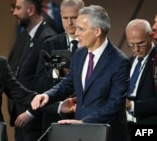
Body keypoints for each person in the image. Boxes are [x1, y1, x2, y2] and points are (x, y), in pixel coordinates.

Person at [31, 5, 130, 141]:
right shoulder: (79, 53)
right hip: (80, 133)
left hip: (107, 134)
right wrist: (48, 95)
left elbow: (115, 104)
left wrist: (85, 122)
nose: (76, 33)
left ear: (97, 31)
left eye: (81, 29)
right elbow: (67, 83)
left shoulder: (119, 61)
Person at [9, 0, 57, 141]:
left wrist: (31, 113)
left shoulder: (47, 38)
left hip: (35, 122)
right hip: (22, 118)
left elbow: (48, 82)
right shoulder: (27, 36)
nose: (14, 12)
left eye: (18, 8)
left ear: (30, 10)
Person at [35, 0, 85, 133]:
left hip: (85, 117)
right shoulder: (50, 45)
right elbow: (39, 83)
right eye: (65, 18)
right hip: (55, 117)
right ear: (60, 16)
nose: (69, 23)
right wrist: (56, 73)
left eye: (74, 18)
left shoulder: (91, 45)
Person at [125, 19, 157, 140]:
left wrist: (132, 105)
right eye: (131, 45)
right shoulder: (128, 62)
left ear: (151, 36)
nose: (136, 49)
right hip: (125, 126)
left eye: (140, 44)